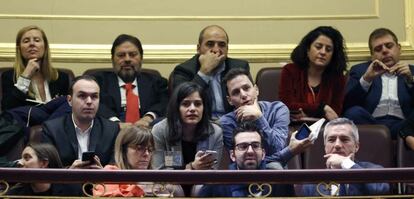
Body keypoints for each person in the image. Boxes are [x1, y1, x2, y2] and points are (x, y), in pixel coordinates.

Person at [221, 68, 312, 169]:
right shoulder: (227, 123)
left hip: (275, 176)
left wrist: (259, 117)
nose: (243, 95)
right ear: (229, 100)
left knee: (274, 167)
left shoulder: (278, 109)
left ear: (256, 90)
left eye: (246, 88)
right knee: (274, 165)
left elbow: (277, 148)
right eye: (236, 92)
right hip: (243, 176)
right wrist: (289, 152)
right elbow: (243, 161)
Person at [151, 82, 223, 196]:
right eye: (186, 104)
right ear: (176, 107)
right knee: (171, 188)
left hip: (201, 183)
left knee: (203, 188)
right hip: (170, 184)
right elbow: (159, 172)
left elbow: (212, 173)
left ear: (204, 108)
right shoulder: (160, 130)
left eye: (198, 104)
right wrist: (192, 168)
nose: (192, 109)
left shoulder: (215, 132)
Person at [343, 28, 414, 139]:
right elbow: (346, 104)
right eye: (378, 49)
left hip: (403, 124)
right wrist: (367, 79)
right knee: (353, 112)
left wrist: (411, 80)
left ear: (399, 49)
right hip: (371, 124)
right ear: (372, 56)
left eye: (389, 46)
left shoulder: (412, 72)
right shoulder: (360, 70)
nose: (384, 51)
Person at [172, 25, 250, 118]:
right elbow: (182, 103)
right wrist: (204, 71)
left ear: (227, 49)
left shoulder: (239, 67)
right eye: (210, 44)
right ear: (198, 48)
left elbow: (250, 101)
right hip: (200, 126)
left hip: (234, 122)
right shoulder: (184, 70)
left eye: (222, 45)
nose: (216, 50)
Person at [198, 121, 294, 197]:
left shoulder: (281, 183)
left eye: (255, 146)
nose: (250, 151)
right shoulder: (215, 185)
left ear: (263, 153)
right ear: (232, 155)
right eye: (243, 146)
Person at [42, 75, 119, 168]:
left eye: (94, 96)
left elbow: (115, 168)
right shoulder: (52, 129)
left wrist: (103, 174)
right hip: (65, 182)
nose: (89, 101)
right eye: (82, 96)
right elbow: (47, 171)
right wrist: (69, 174)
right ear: (69, 100)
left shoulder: (112, 130)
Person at [93, 34, 168, 128]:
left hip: (147, 132)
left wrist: (149, 117)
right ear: (112, 59)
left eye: (133, 55)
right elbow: (94, 104)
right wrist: (115, 123)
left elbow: (165, 103)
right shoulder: (99, 82)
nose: (127, 59)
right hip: (109, 131)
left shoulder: (156, 82)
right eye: (121, 55)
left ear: (141, 58)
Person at [302, 118, 390, 196]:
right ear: (325, 147)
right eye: (331, 140)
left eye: (344, 139)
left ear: (356, 146)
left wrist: (346, 163)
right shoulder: (312, 182)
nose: (337, 145)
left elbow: (380, 190)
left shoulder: (374, 170)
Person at [279, 26, 348, 121]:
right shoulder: (290, 71)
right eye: (318, 47)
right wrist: (322, 108)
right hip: (294, 128)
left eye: (328, 49)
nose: (323, 52)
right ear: (307, 49)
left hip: (325, 130)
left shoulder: (337, 77)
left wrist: (307, 115)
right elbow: (286, 105)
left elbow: (334, 113)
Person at [93, 126, 184, 197]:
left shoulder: (159, 182)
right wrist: (141, 189)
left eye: (150, 149)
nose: (146, 154)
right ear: (123, 151)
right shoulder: (110, 173)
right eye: (139, 148)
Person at [1, 25, 70, 111]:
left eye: (37, 40)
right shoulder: (9, 76)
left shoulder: (61, 77)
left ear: (45, 47)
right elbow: (7, 109)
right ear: (19, 49)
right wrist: (25, 75)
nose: (32, 44)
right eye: (26, 41)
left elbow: (67, 111)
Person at [6, 143, 82, 196]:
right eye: (22, 158)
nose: (20, 162)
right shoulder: (14, 194)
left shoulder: (72, 190)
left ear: (44, 163)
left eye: (26, 158)